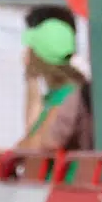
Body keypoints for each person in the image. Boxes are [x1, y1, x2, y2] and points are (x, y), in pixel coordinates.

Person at [17, 12, 92, 151]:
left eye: (30, 49)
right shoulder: (57, 94)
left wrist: (31, 74)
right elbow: (31, 132)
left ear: (39, 56)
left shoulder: (68, 96)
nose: (25, 53)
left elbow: (36, 146)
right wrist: (31, 79)